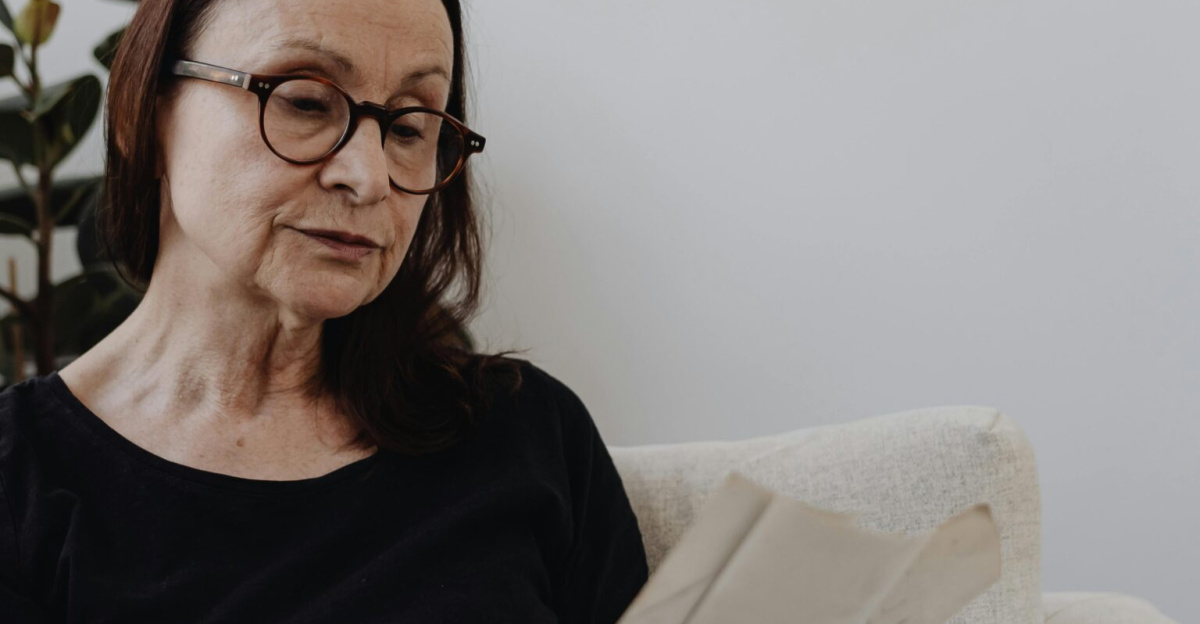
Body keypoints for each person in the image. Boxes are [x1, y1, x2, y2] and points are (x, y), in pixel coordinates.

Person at [0, 0, 649, 621]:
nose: (369, 179)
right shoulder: (20, 480)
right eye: (306, 101)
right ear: (141, 116)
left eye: (409, 127)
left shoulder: (527, 432)